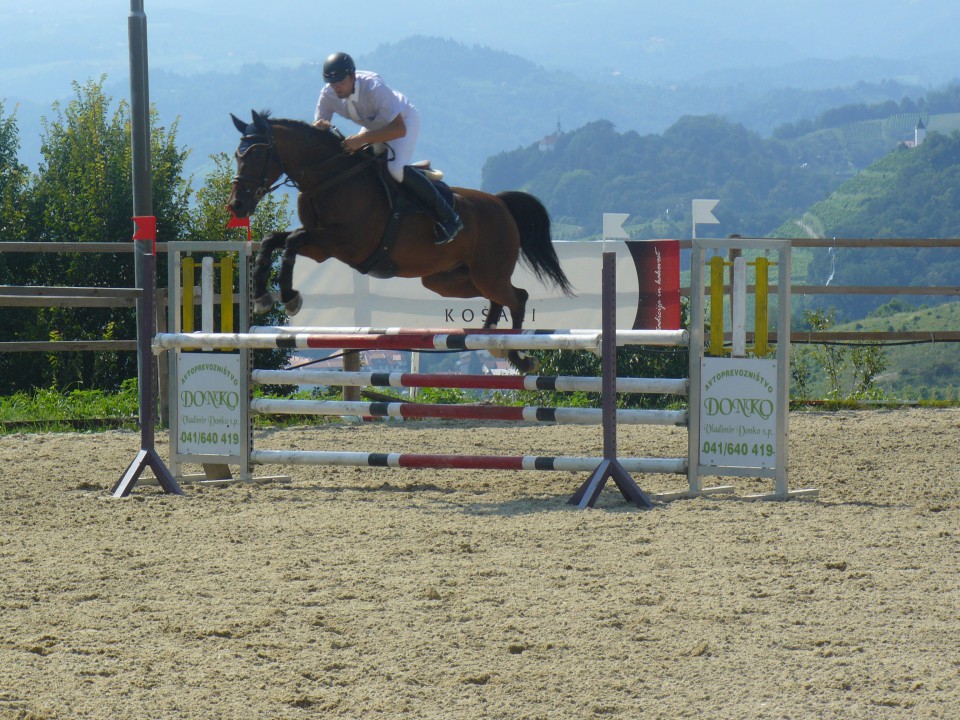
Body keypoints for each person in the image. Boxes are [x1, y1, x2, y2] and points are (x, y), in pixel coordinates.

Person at [313, 52, 462, 244]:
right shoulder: (328, 94)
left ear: (352, 76)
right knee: (360, 164)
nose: (336, 87)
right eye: (332, 83)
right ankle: (417, 173)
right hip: (375, 125)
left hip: (403, 122)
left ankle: (449, 217)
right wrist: (320, 127)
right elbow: (318, 126)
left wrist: (362, 139)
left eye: (340, 82)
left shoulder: (374, 87)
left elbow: (398, 129)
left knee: (395, 169)